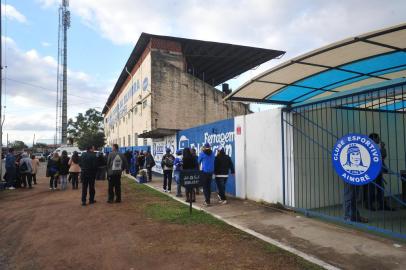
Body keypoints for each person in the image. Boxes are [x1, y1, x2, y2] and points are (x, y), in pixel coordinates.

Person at [363, 133, 394, 211]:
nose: (379, 139)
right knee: (371, 189)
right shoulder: (367, 147)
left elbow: (382, 157)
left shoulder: (376, 147)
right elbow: (377, 157)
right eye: (377, 138)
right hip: (371, 172)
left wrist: (382, 148)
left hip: (378, 171)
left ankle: (382, 205)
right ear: (373, 138)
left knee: (380, 189)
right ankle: (369, 205)